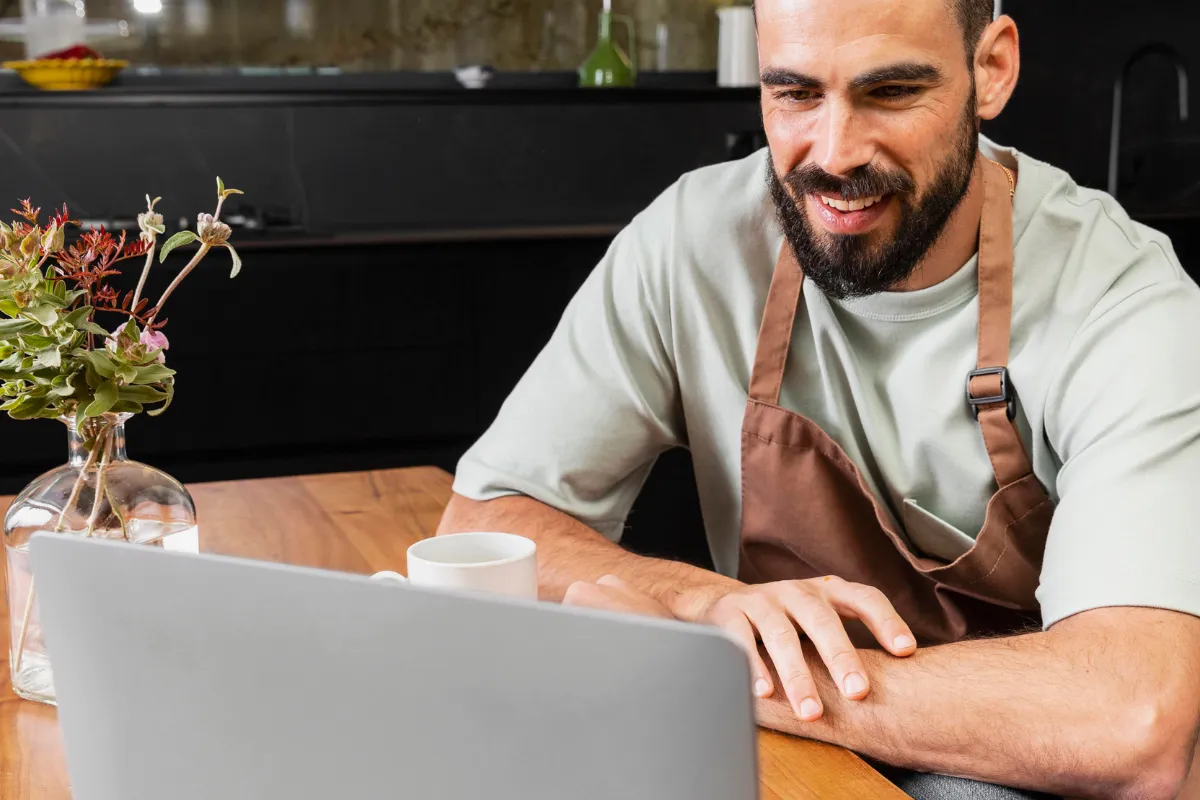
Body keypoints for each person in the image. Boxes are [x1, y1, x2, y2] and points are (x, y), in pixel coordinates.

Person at [438, 0, 1200, 796]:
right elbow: (488, 522)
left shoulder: (1125, 300)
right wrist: (697, 602)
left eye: (892, 91)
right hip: (803, 758)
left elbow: (1132, 720)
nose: (834, 155)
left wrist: (727, 667)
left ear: (991, 68)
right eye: (795, 94)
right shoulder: (694, 241)